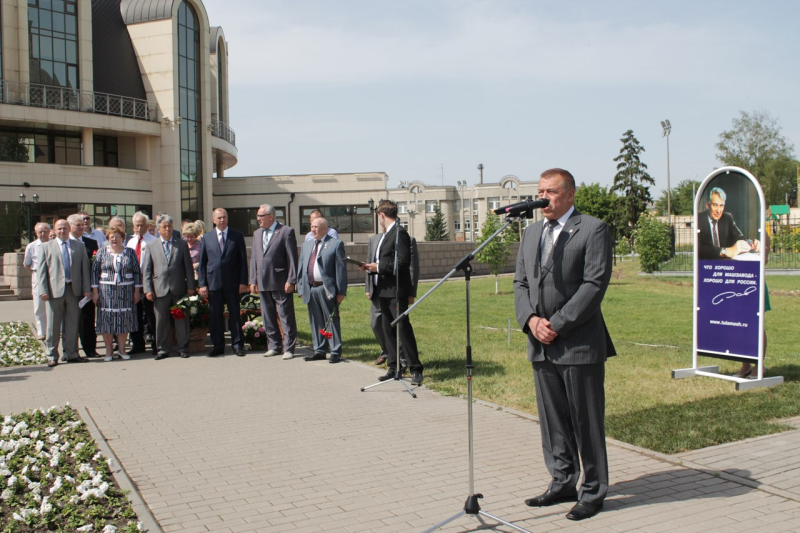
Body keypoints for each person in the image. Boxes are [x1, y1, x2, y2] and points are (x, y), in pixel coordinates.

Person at [513, 168, 614, 521]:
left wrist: (555, 324)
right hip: (540, 343)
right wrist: (530, 320)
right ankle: (563, 480)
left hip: (578, 343)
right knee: (552, 420)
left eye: (551, 192)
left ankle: (593, 491)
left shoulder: (593, 229)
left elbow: (594, 284)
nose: (543, 198)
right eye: (540, 191)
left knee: (586, 422)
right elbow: (520, 283)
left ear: (570, 194)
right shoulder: (531, 233)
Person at [359, 200, 423, 385]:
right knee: (387, 331)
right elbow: (385, 261)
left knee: (402, 329)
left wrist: (378, 267)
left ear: (382, 215)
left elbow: (403, 262)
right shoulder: (385, 235)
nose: (378, 219)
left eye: (378, 216)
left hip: (396, 290)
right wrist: (371, 268)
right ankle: (394, 367)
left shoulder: (399, 233)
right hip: (383, 290)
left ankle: (416, 368)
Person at [37, 219, 91, 367]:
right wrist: (43, 290)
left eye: (65, 228)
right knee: (53, 325)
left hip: (74, 290)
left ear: (69, 229)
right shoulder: (46, 247)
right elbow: (41, 272)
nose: (62, 231)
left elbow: (85, 269)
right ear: (54, 230)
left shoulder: (79, 246)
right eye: (59, 229)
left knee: (72, 324)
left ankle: (71, 353)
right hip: (54, 292)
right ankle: (52, 355)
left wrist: (87, 289)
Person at [248, 204, 298, 359]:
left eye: (261, 216)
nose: (258, 219)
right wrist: (253, 279)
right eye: (257, 216)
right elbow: (254, 258)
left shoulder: (286, 231)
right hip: (262, 281)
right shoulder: (257, 233)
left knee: (285, 315)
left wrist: (291, 280)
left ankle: (288, 348)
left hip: (280, 281)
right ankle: (274, 345)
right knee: (267, 315)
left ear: (270, 216)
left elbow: (292, 258)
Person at [143, 214, 195, 360]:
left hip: (178, 288)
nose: (167, 229)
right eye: (164, 227)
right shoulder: (151, 246)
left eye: (169, 226)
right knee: (161, 321)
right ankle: (162, 349)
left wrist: (191, 286)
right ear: (158, 229)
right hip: (160, 289)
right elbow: (147, 270)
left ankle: (182, 347)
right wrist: (148, 289)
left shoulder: (181, 244)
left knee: (181, 320)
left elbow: (188, 267)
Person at [199, 208, 249, 357]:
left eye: (224, 217)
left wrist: (243, 282)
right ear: (213, 220)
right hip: (213, 282)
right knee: (215, 316)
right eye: (219, 218)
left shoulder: (237, 235)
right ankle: (218, 346)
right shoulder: (207, 237)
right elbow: (202, 263)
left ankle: (237, 345)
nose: (222, 220)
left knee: (235, 314)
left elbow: (243, 261)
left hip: (232, 282)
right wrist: (202, 284)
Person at [298, 217, 347, 363]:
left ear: (325, 229)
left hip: (326, 289)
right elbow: (302, 268)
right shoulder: (307, 245)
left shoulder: (335, 244)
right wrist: (301, 287)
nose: (312, 229)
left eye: (316, 227)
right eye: (311, 226)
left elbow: (341, 270)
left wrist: (341, 292)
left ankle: (335, 350)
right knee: (316, 321)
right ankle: (319, 349)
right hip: (311, 288)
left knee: (330, 320)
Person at [91, 225, 141, 362]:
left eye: (117, 237)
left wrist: (137, 291)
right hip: (106, 292)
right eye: (112, 237)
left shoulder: (130, 252)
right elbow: (94, 272)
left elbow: (137, 272)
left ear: (123, 238)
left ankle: (122, 349)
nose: (114, 239)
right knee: (107, 321)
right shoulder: (102, 252)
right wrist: (95, 292)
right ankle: (108, 351)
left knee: (123, 320)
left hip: (126, 291)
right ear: (108, 238)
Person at [369, 235, 419, 366]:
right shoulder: (374, 239)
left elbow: (412, 267)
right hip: (378, 290)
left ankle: (402, 358)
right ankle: (387, 352)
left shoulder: (405, 239)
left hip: (395, 291)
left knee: (399, 326)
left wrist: (411, 292)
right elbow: (371, 261)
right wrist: (368, 287)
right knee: (376, 324)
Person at [734, 231, 771, 379]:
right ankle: (745, 365)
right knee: (740, 326)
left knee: (756, 326)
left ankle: (759, 366)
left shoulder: (761, 233)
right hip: (736, 282)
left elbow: (764, 260)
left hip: (754, 283)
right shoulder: (735, 231)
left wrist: (757, 251)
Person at [698, 187, 760, 260]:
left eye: (721, 205)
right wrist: (725, 251)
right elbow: (699, 248)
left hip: (726, 263)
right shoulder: (699, 219)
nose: (718, 210)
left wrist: (751, 243)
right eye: (715, 205)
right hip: (707, 264)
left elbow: (740, 238)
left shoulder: (727, 218)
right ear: (707, 206)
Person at [68, 214, 99, 359]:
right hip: (70, 288)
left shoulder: (91, 243)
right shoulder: (66, 243)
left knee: (88, 320)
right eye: (78, 225)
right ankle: (70, 351)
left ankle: (90, 349)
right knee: (71, 321)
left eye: (82, 225)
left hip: (88, 289)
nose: (82, 227)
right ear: (70, 227)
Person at [127, 212, 158, 355]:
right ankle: (137, 344)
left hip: (148, 283)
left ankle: (156, 344)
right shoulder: (130, 242)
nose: (139, 228)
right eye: (137, 225)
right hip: (133, 284)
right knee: (135, 315)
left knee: (151, 315)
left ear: (147, 225)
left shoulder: (154, 241)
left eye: (142, 225)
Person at [23, 222, 51, 340]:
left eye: (45, 231)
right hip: (37, 276)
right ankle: (41, 331)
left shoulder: (54, 244)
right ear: (36, 233)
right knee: (39, 305)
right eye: (40, 231)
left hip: (53, 276)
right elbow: (27, 264)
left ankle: (55, 329)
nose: (43, 233)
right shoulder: (31, 246)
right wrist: (37, 274)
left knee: (55, 304)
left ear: (49, 232)